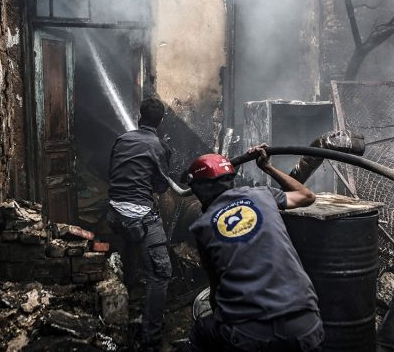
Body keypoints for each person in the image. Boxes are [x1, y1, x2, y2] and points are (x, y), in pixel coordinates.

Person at [186, 144, 324, 352]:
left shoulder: (202, 227)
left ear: (198, 189)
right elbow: (306, 196)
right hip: (307, 328)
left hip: (251, 337)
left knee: (201, 333)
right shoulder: (263, 195)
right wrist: (267, 167)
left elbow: (216, 293)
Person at [106, 97, 172, 351]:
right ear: (161, 121)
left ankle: (129, 295)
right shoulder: (159, 146)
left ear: (138, 116)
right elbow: (161, 186)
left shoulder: (121, 140)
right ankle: (151, 338)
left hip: (113, 214)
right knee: (160, 273)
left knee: (130, 249)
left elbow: (112, 172)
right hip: (139, 216)